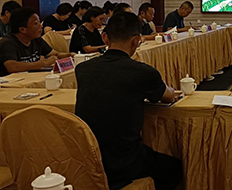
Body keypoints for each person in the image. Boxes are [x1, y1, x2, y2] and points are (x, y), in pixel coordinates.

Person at [75, 11, 182, 190]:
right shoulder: (143, 72)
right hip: (124, 162)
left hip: (87, 160)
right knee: (175, 167)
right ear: (136, 40)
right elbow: (169, 96)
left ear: (105, 38)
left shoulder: (83, 69)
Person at [0, 8, 73, 77]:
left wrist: (68, 55)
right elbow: (12, 67)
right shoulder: (8, 43)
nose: (40, 26)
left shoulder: (35, 39)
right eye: (36, 23)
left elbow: (54, 54)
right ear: (23, 29)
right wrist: (41, 64)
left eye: (39, 22)